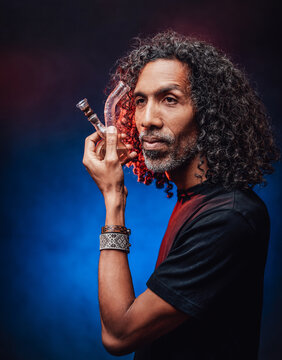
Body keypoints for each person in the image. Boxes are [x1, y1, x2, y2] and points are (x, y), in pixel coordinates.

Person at [82, 31, 279, 359]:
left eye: (169, 99)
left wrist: (113, 196)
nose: (146, 120)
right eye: (141, 100)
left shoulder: (229, 217)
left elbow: (119, 334)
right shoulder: (195, 198)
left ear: (209, 115)